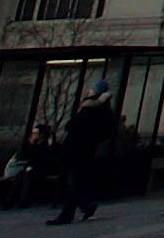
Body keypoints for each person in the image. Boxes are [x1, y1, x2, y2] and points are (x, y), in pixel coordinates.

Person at [47, 86, 117, 225]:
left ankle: (69, 213)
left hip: (77, 148)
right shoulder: (105, 110)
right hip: (86, 149)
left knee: (74, 181)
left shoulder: (89, 108)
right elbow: (105, 132)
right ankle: (86, 204)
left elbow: (73, 125)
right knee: (78, 180)